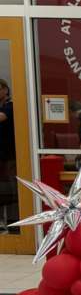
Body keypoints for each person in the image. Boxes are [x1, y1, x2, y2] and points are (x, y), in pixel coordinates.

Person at [0, 78, 17, 230]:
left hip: (11, 156)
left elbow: (2, 117)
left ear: (5, 90)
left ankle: (14, 223)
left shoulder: (10, 106)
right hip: (2, 157)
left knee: (13, 191)